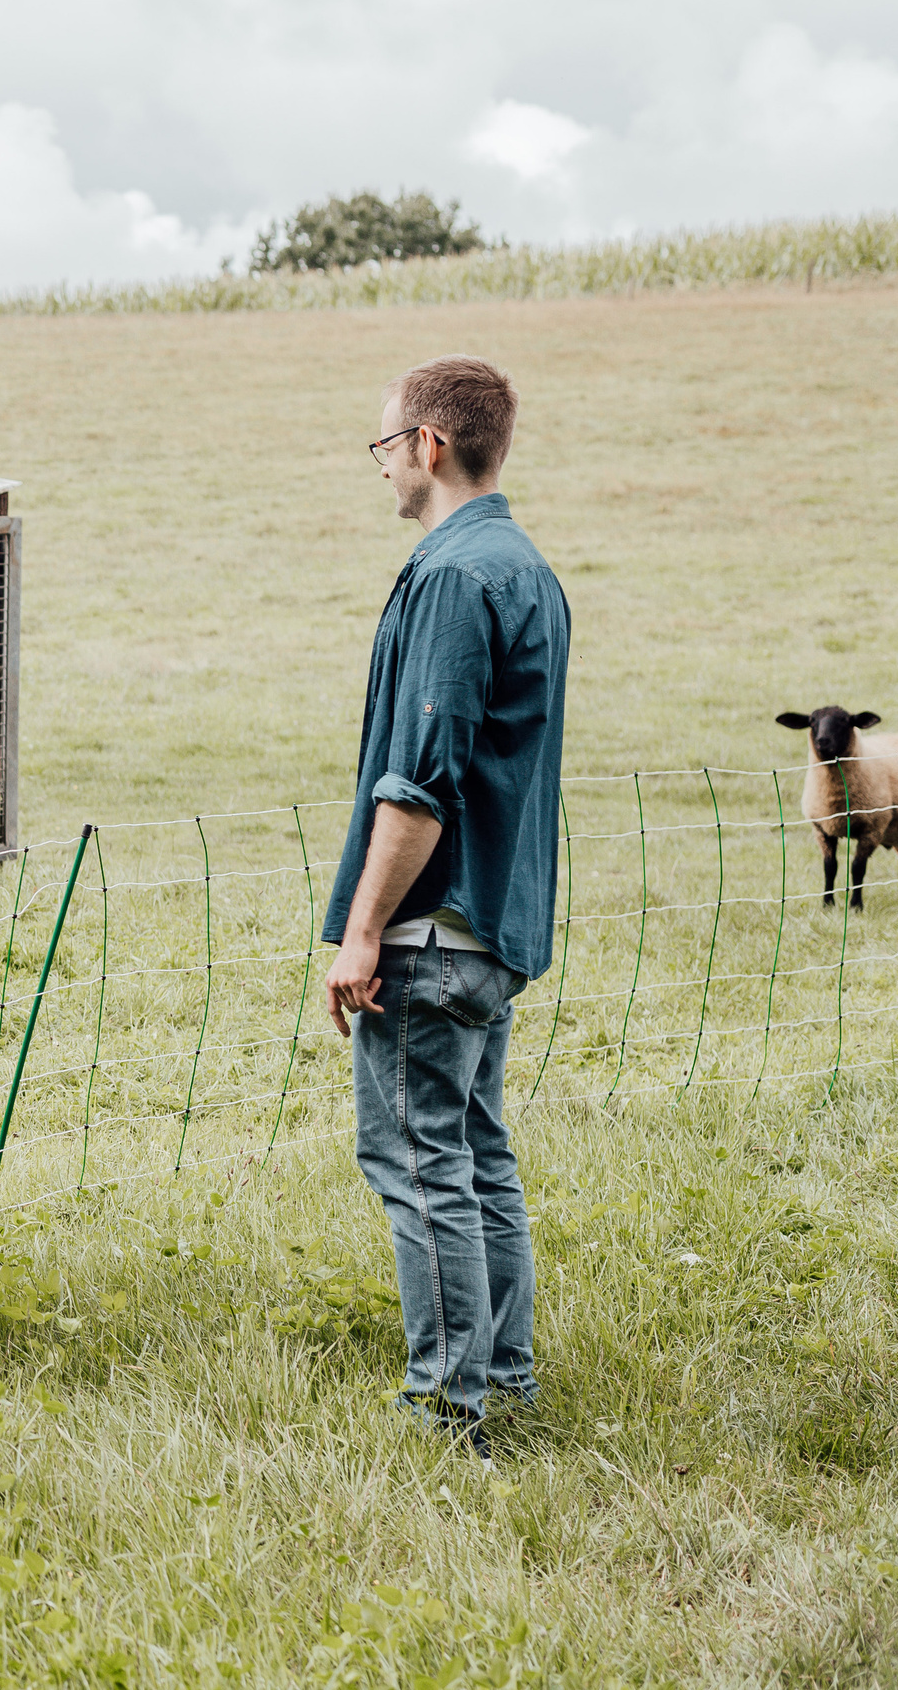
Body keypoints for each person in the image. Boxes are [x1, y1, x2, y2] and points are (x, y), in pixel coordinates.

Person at [322, 355, 569, 1469]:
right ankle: (504, 1382)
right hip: (495, 922)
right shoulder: (529, 570)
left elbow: (418, 780)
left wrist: (362, 927)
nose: (382, 468)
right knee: (475, 1152)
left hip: (430, 926)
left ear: (428, 443)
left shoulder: (450, 575)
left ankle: (446, 1407)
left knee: (419, 1161)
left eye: (384, 446)